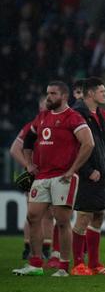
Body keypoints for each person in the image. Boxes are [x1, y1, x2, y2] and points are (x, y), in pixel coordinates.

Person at [12, 81, 94, 277]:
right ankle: (35, 263)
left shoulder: (73, 118)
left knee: (62, 221)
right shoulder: (42, 117)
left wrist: (73, 169)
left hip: (63, 176)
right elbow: (28, 140)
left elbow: (88, 144)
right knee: (33, 217)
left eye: (53, 94)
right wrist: (29, 164)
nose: (48, 97)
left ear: (64, 97)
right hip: (42, 176)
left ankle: (63, 267)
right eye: (47, 93)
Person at [70, 77, 105, 276]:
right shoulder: (77, 114)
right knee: (83, 216)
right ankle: (78, 264)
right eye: (102, 91)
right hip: (86, 174)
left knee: (98, 215)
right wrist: (86, 170)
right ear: (90, 94)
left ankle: (94, 264)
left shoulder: (101, 114)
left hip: (101, 173)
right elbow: (73, 147)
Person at [9, 96, 54, 262]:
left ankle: (45, 249)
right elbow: (15, 149)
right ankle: (29, 248)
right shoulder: (32, 126)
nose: (46, 106)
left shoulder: (56, 124)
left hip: (50, 173)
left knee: (49, 214)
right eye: (43, 104)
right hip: (35, 175)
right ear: (39, 106)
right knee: (33, 214)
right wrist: (28, 166)